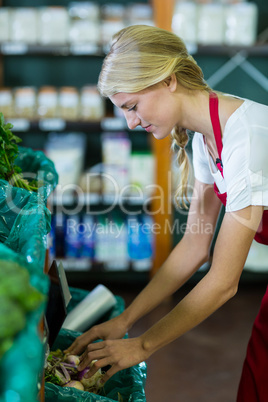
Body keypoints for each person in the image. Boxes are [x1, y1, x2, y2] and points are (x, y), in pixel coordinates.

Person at [65, 25, 268, 400]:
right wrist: (125, 320)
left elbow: (224, 282)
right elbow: (194, 245)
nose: (131, 122)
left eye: (131, 106)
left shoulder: (249, 136)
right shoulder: (207, 135)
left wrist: (142, 346)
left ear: (169, 81)